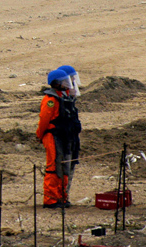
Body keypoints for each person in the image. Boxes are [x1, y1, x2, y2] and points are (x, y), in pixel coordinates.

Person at [37, 69, 79, 208]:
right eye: (64, 81)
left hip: (64, 137)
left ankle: (61, 197)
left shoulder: (64, 97)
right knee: (53, 167)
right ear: (56, 83)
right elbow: (44, 120)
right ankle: (50, 199)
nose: (67, 84)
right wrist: (40, 135)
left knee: (64, 167)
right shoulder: (50, 100)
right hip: (52, 136)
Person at [57, 65, 83, 196]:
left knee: (69, 167)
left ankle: (64, 195)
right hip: (64, 140)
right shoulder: (58, 100)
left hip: (72, 140)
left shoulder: (68, 100)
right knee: (63, 169)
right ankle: (61, 196)